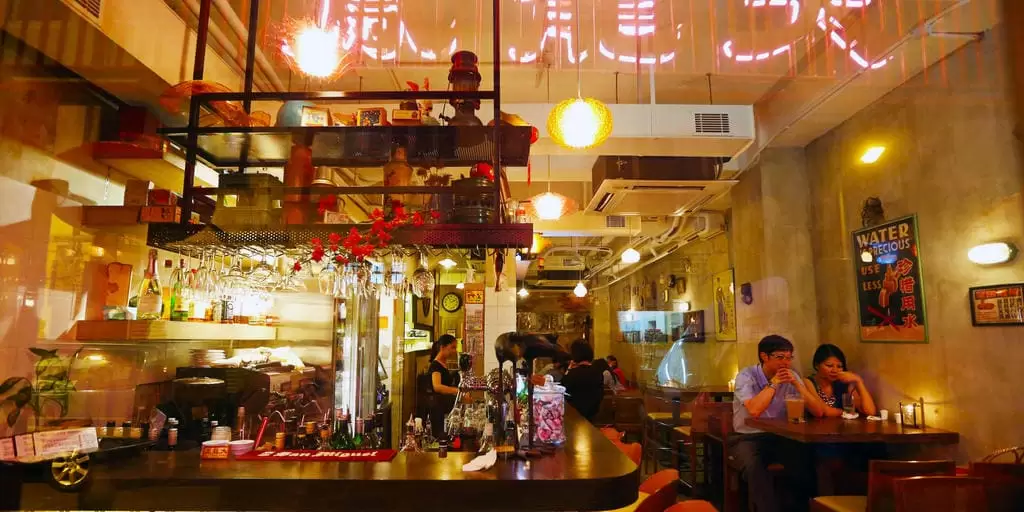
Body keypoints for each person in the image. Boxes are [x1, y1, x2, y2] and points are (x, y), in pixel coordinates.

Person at [731, 335, 819, 512]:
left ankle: (802, 508)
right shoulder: (746, 376)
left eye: (789, 358)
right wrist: (774, 383)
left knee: (805, 458)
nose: (786, 363)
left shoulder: (792, 376)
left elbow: (818, 411)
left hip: (781, 436)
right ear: (764, 356)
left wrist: (798, 385)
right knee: (755, 468)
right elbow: (755, 410)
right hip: (747, 437)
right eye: (780, 357)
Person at [803, 344, 878, 417]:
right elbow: (824, 411)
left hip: (841, 428)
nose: (835, 370)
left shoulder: (843, 383)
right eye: (829, 365)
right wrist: (846, 412)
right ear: (817, 365)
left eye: (839, 366)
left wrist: (858, 381)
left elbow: (870, 411)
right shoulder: (809, 382)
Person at [559, 340, 605, 421]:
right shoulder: (598, 372)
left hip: (575, 415)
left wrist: (569, 369)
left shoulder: (574, 373)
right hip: (592, 415)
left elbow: (561, 389)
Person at [426, 334, 459, 438]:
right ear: (442, 347)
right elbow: (437, 386)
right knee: (439, 438)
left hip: (442, 407)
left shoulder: (443, 363)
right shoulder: (436, 365)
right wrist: (457, 391)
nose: (454, 351)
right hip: (437, 409)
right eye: (452, 347)